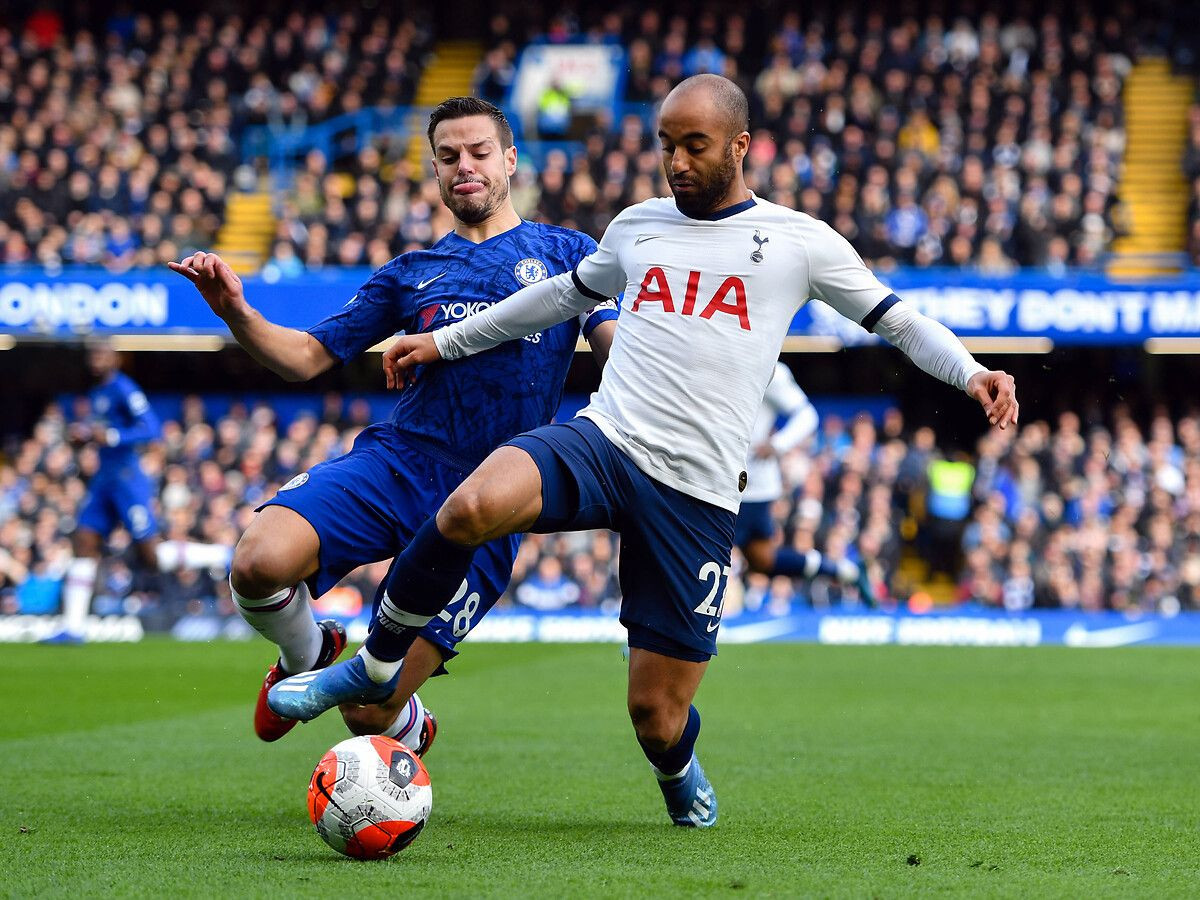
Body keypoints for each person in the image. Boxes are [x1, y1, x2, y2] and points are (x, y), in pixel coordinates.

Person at [269, 75, 1018, 828]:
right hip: (605, 439)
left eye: (695, 146)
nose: (678, 162)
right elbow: (555, 299)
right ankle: (371, 664)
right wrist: (441, 340)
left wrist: (971, 371)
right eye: (666, 146)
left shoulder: (800, 242)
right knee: (471, 504)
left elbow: (898, 321)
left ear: (740, 146)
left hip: (694, 490)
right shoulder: (637, 227)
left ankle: (678, 766)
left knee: (655, 716)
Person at [169, 97, 617, 751]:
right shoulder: (411, 273)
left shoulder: (569, 253)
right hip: (398, 464)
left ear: (511, 160)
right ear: (435, 172)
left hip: (493, 494)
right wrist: (236, 310)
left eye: (479, 152)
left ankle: (406, 719)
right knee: (258, 562)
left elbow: (616, 350)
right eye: (448, 156)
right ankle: (306, 653)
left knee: (368, 714)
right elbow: (304, 358)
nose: (465, 166)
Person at [48, 341, 162, 643]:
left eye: (102, 354)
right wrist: (84, 437)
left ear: (116, 359)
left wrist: (111, 435)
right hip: (105, 478)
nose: (95, 360)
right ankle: (73, 627)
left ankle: (218, 557)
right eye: (92, 355)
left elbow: (152, 428)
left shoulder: (125, 388)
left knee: (152, 555)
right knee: (84, 539)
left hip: (127, 477)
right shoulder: (97, 393)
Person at [737, 361, 875, 603]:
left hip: (750, 486)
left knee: (707, 552)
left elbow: (807, 416)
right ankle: (844, 570)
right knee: (761, 560)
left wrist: (777, 445)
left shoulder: (768, 368)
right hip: (726, 480)